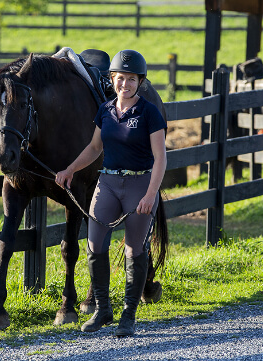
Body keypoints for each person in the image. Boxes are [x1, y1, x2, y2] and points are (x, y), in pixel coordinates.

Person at [55, 49, 167, 337]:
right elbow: (95, 148)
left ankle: (128, 314)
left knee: (134, 249)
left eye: (131, 79)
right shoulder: (104, 110)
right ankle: (103, 309)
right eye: (120, 78)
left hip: (138, 185)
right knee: (94, 246)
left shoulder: (149, 113)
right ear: (112, 79)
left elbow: (160, 158)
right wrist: (69, 169)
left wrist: (150, 194)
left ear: (139, 82)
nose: (125, 84)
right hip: (107, 183)